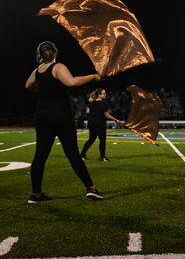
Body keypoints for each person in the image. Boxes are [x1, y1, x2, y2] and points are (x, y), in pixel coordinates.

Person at [25, 41, 104, 203]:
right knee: (73, 154)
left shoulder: (37, 70)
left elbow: (27, 86)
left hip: (42, 114)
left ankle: (36, 194)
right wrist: (93, 76)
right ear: (55, 52)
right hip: (60, 115)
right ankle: (91, 188)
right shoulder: (58, 67)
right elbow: (72, 82)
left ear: (40, 54)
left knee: (40, 155)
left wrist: (42, 90)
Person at [80, 88, 121, 161]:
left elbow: (87, 112)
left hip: (91, 124)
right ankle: (102, 157)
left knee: (91, 140)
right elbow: (107, 115)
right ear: (99, 95)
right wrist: (116, 120)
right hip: (100, 124)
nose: (105, 94)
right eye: (103, 93)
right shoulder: (104, 103)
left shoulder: (92, 102)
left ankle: (82, 155)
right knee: (102, 140)